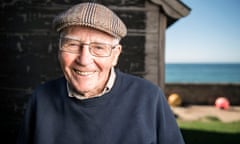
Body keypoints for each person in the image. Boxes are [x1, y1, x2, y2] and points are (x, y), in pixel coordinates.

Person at [17, 2, 185, 144]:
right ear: (59, 49)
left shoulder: (149, 97)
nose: (84, 60)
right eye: (73, 45)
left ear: (115, 55)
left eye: (98, 48)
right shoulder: (40, 98)